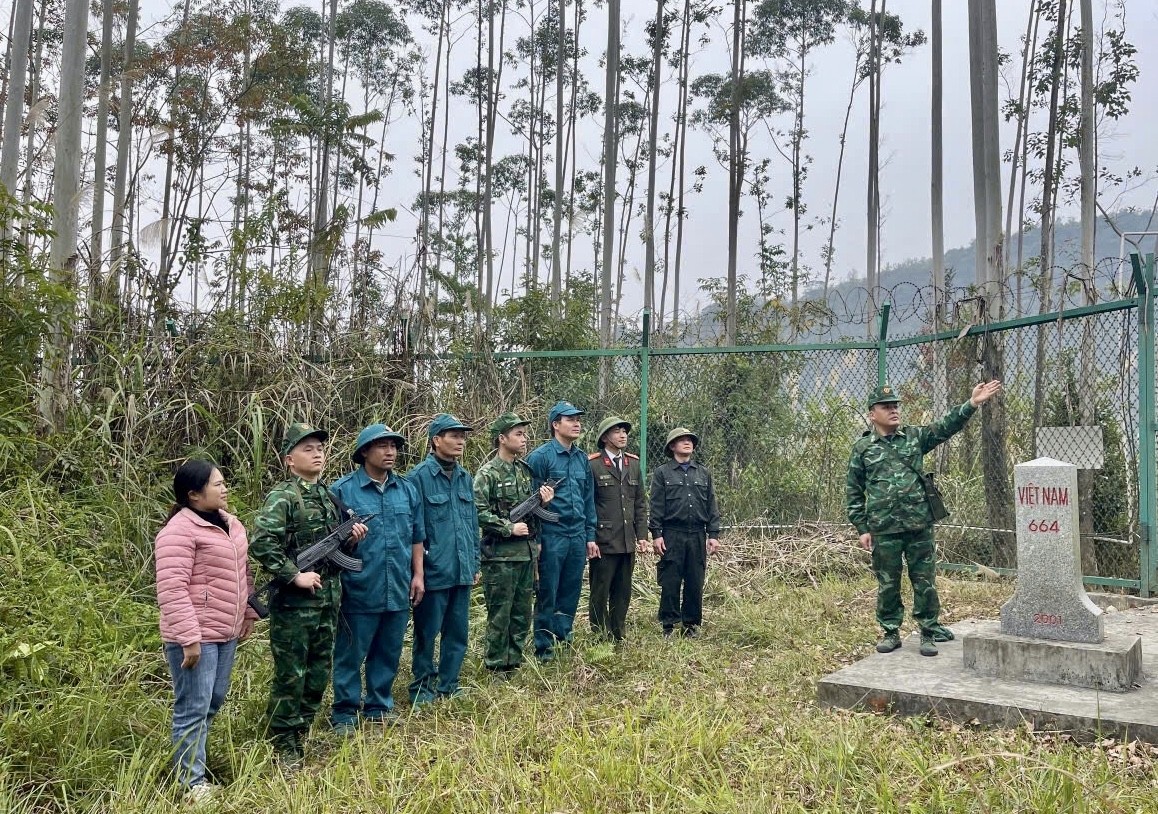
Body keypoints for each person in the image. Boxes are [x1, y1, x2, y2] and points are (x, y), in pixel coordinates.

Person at [846, 380, 1003, 657]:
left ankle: (928, 631)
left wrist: (971, 404)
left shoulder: (915, 437)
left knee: (925, 581)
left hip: (919, 524)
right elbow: (854, 491)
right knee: (888, 583)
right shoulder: (863, 449)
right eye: (886, 406)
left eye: (895, 405)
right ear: (873, 414)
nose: (894, 410)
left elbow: (945, 427)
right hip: (884, 528)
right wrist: (862, 528)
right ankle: (890, 632)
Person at [249, 423, 366, 764]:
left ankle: (301, 732)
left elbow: (336, 548)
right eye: (307, 449)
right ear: (289, 459)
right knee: (291, 675)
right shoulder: (283, 497)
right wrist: (293, 575)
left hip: (328, 601)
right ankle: (284, 743)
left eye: (319, 448)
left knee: (317, 673)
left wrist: (351, 538)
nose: (317, 453)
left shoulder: (329, 497)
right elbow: (262, 543)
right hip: (295, 606)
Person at [154, 459, 256, 804]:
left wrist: (249, 614)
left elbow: (244, 575)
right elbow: (172, 588)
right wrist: (189, 639)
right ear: (194, 495)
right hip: (196, 636)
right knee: (193, 706)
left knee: (212, 701)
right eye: (217, 484)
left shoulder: (232, 524)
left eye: (224, 482)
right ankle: (190, 783)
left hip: (225, 631)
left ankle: (191, 768)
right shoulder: (177, 532)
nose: (225, 489)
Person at [329, 424, 425, 732]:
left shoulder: (407, 489)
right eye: (382, 446)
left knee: (388, 649)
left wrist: (418, 575)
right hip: (360, 587)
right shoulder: (343, 491)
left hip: (397, 584)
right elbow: (329, 544)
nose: (390, 452)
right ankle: (344, 711)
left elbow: (417, 537)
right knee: (351, 652)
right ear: (364, 452)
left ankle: (378, 705)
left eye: (394, 446)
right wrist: (350, 541)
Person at [406, 414, 480, 706]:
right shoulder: (418, 478)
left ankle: (450, 684)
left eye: (462, 436)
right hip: (433, 571)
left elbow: (471, 524)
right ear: (436, 440)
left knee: (458, 632)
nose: (460, 441)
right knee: (426, 633)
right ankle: (422, 688)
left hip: (461, 569)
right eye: (453, 435)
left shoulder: (465, 477)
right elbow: (414, 530)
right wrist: (418, 572)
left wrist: (474, 563)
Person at [474, 412, 555, 673]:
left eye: (525, 433)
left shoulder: (524, 471)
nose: (525, 439)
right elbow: (478, 511)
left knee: (522, 613)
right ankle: (497, 665)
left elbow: (532, 514)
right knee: (500, 613)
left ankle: (514, 661)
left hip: (525, 553)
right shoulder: (487, 474)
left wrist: (543, 503)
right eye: (518, 434)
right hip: (500, 556)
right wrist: (508, 527)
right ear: (502, 438)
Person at [525, 401, 597, 661]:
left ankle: (563, 637)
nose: (577, 423)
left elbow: (588, 499)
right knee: (548, 591)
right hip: (552, 533)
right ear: (556, 424)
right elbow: (530, 502)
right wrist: (538, 539)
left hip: (577, 535)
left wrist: (590, 536)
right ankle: (544, 647)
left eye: (578, 418)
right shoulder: (540, 457)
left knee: (571, 590)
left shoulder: (581, 459)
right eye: (570, 419)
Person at [648, 427, 721, 638]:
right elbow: (656, 506)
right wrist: (657, 534)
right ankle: (668, 624)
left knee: (695, 579)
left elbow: (711, 505)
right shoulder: (663, 473)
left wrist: (713, 535)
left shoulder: (703, 472)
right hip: (672, 533)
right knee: (670, 579)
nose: (687, 443)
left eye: (690, 440)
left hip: (697, 533)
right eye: (682, 440)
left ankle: (691, 624)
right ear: (672, 446)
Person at [587, 416, 648, 643]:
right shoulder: (592, 464)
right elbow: (589, 504)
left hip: (627, 540)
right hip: (603, 541)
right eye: (616, 431)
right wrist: (590, 537)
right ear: (604, 438)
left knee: (623, 591)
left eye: (624, 431)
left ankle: (618, 632)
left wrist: (642, 536)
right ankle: (600, 636)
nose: (623, 435)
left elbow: (640, 503)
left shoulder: (632, 463)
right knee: (600, 592)